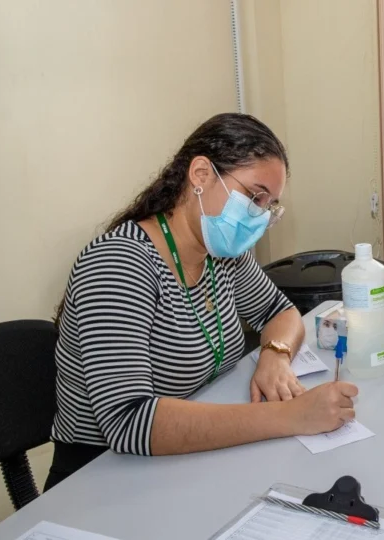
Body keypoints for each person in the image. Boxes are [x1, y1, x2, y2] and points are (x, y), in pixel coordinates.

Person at [46, 113, 358, 490]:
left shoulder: (219, 252)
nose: (259, 216)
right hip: (104, 478)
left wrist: (275, 357)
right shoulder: (119, 264)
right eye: (255, 196)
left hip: (185, 460)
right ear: (200, 175)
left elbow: (280, 312)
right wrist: (290, 417)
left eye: (270, 205)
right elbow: (128, 422)